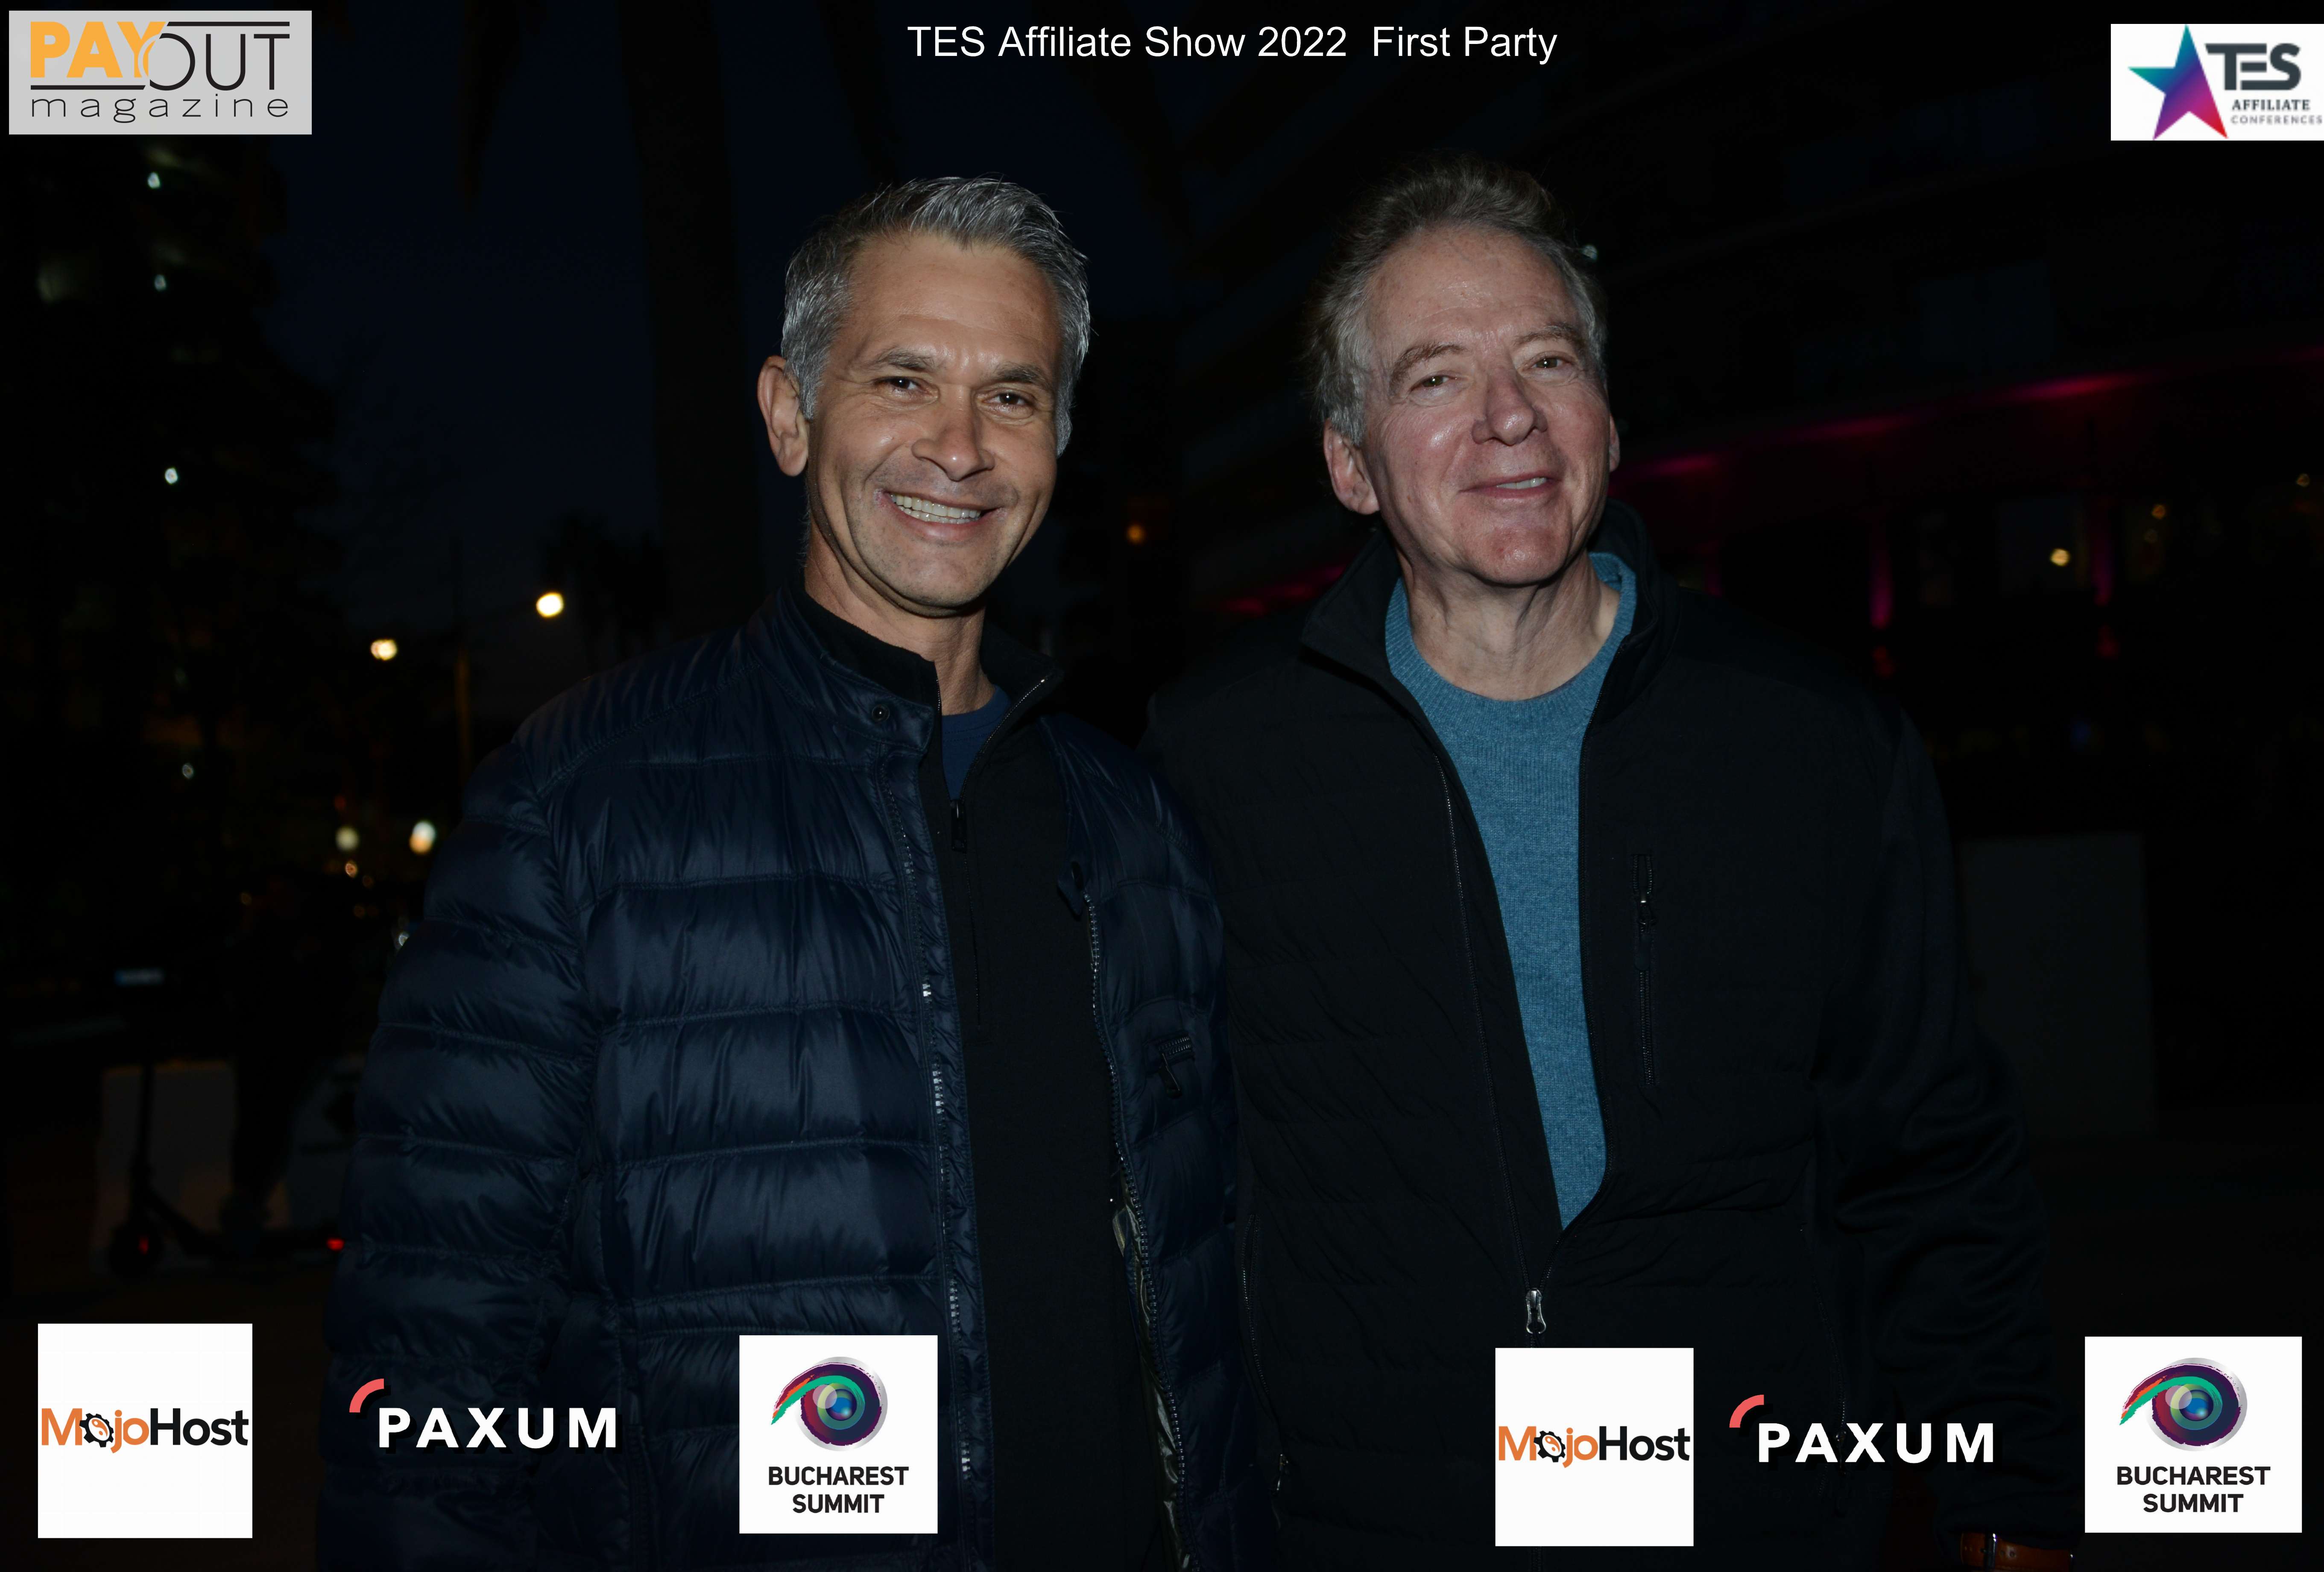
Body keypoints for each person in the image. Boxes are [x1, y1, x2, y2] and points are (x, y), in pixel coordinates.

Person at [321, 176, 1267, 1572]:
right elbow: (433, 1346)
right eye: (903, 380)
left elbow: (1209, 1294)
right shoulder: (578, 802)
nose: (960, 446)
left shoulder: (1136, 821)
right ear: (788, 412)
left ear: (1058, 442)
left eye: (1012, 397)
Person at [1143, 155, 2075, 1569]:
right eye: (1437, 376)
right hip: (1379, 1520)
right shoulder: (1218, 755)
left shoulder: (1811, 739)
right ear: (1351, 463)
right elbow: (1175, 1179)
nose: (1509, 415)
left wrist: (2007, 1494)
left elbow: (1932, 1151)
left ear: (1608, 418)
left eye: (1548, 360)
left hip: (1741, 1505)